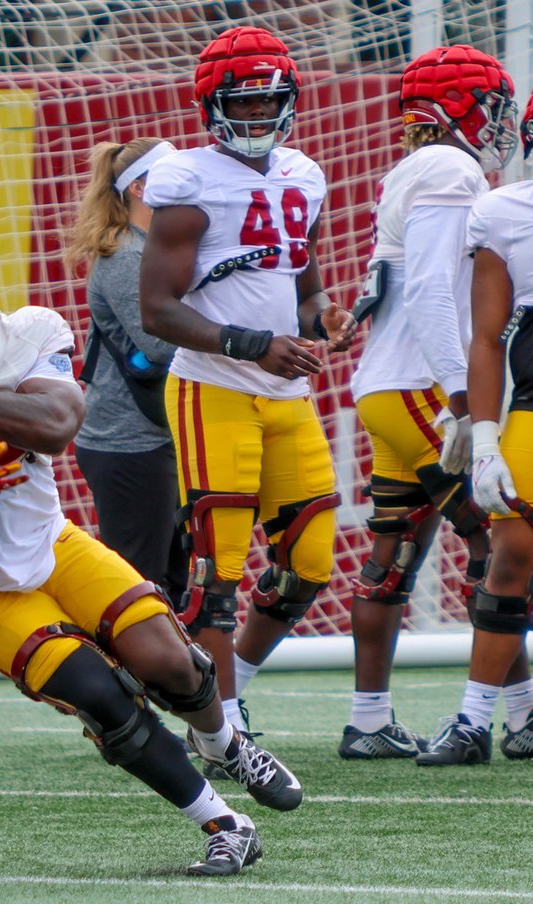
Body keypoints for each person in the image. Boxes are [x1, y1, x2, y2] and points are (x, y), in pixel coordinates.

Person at [0, 216, 304, 877]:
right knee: (99, 695)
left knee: (173, 662)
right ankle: (224, 822)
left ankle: (223, 743)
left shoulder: (30, 332)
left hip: (51, 541)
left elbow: (55, 426)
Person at [138, 25, 357, 738]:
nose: (261, 116)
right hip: (213, 388)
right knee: (216, 573)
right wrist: (251, 344)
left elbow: (301, 277)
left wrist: (322, 312)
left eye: (270, 103)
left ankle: (228, 688)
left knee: (309, 561)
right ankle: (221, 725)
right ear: (214, 105)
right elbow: (158, 309)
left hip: (283, 392)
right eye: (247, 103)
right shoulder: (188, 177)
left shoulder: (304, 173)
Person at [341, 45, 525, 761]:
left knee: (389, 559)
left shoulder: (414, 169)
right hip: (425, 389)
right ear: (459, 105)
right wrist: (460, 396)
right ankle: (507, 716)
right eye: (491, 103)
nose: (499, 120)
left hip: (388, 387)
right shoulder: (452, 169)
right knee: (504, 545)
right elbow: (424, 291)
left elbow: (390, 284)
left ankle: (367, 718)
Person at [416, 90, 533, 765]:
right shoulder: (503, 212)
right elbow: (487, 338)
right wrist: (484, 437)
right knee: (512, 554)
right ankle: (473, 723)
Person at [66, 137, 187, 603]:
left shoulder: (151, 249)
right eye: (172, 177)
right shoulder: (124, 255)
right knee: (139, 590)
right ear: (138, 187)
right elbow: (159, 345)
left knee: (174, 584)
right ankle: (132, 677)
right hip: (128, 443)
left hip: (159, 436)